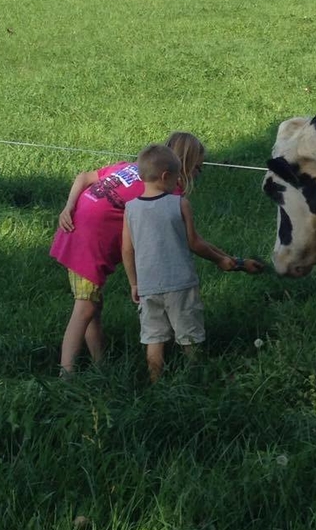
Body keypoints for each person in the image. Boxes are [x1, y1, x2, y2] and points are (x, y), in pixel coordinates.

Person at [51, 132, 206, 376]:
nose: (198, 174)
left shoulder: (133, 168)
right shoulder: (165, 193)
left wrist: (68, 206)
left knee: (92, 305)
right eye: (198, 168)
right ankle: (65, 374)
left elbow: (84, 177)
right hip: (90, 242)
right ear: (183, 166)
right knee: (85, 308)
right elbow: (171, 241)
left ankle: (100, 364)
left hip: (75, 229)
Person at [121, 143, 263, 383]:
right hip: (180, 285)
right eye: (176, 177)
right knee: (190, 335)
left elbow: (127, 249)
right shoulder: (180, 204)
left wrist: (134, 283)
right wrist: (222, 259)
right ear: (166, 176)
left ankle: (156, 384)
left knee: (153, 339)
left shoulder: (130, 209)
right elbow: (195, 243)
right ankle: (196, 377)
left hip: (148, 288)